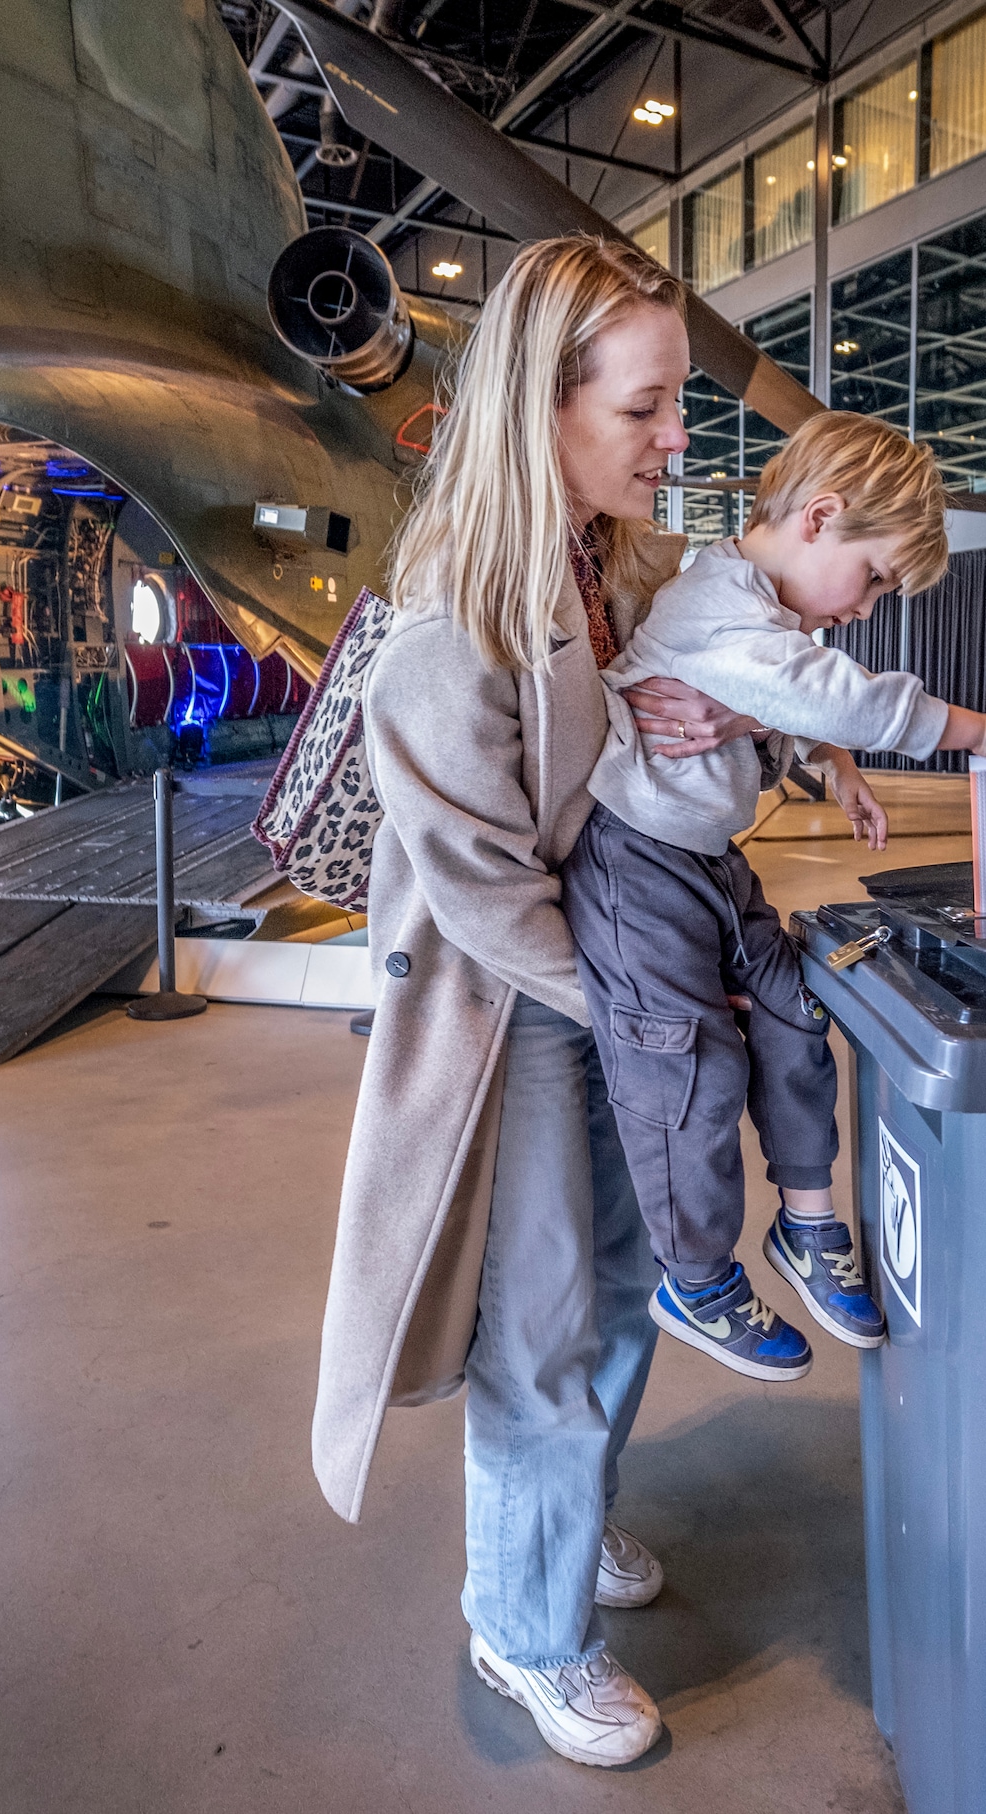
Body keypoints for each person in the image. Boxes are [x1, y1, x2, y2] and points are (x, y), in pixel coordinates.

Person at [308, 235, 766, 1771]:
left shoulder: (610, 566)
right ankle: (525, 1623)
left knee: (625, 1286)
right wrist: (652, 1015)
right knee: (545, 1330)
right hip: (518, 1019)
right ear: (541, 405)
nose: (675, 437)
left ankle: (564, 1522)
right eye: (643, 408)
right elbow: (487, 894)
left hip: (608, 999)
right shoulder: (458, 617)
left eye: (675, 402)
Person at [565, 411, 986, 1382]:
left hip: (707, 860)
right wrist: (981, 731)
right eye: (872, 577)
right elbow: (828, 692)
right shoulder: (718, 599)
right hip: (637, 863)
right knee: (692, 1072)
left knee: (796, 1010)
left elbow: (785, 701)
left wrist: (835, 768)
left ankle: (806, 1222)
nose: (865, 607)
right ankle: (696, 1278)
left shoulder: (759, 618)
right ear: (820, 517)